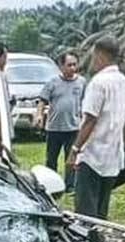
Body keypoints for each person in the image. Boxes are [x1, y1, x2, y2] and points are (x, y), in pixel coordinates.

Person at [68, 37, 125, 219]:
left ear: (100, 55)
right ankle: (98, 240)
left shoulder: (98, 83)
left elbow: (90, 119)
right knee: (101, 208)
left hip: (92, 155)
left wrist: (75, 149)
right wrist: (122, 146)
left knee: (85, 209)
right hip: (113, 156)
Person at [36, 51, 86, 192]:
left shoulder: (81, 82)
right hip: (54, 128)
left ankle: (70, 186)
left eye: (74, 65)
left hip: (73, 127)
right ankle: (50, 184)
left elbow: (85, 102)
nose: (72, 68)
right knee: (51, 159)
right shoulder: (53, 83)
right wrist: (39, 115)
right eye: (69, 65)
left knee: (70, 158)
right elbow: (42, 100)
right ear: (61, 66)